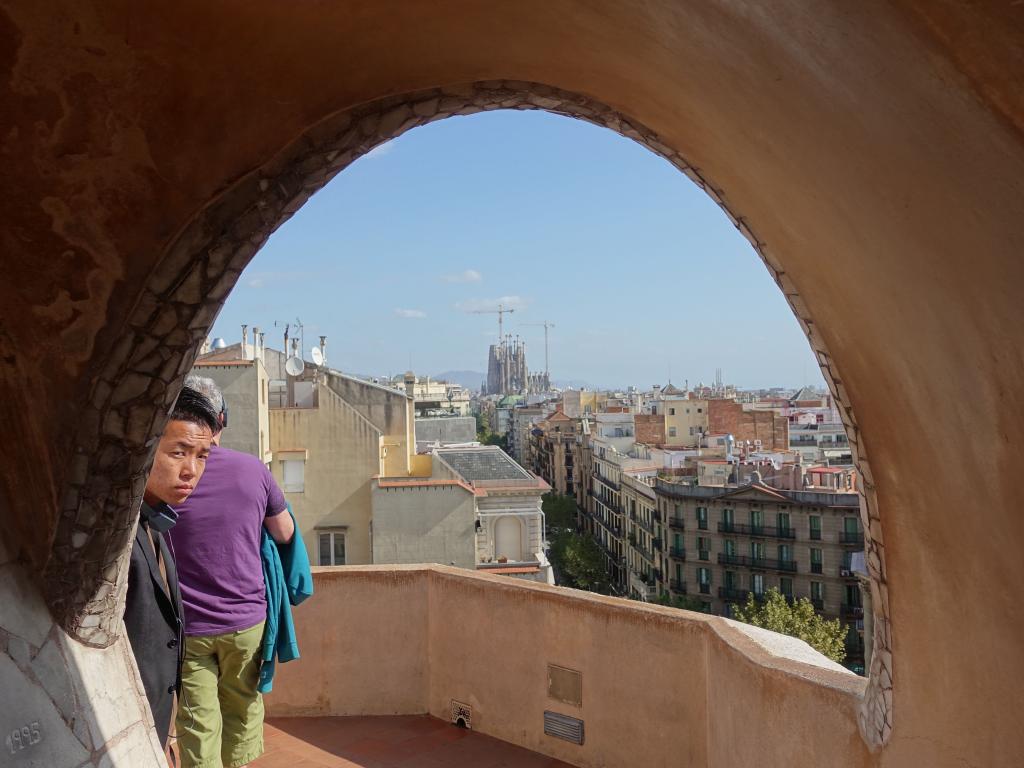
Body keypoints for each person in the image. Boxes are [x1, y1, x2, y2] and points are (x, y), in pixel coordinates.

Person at [166, 375, 294, 768]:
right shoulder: (253, 470)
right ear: (221, 419)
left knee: (198, 721)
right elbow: (285, 532)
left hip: (191, 626)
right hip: (246, 620)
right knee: (241, 709)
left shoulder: (166, 473)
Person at [124, 386, 219, 752]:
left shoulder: (157, 521)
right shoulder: (117, 539)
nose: (191, 470)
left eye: (201, 456)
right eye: (178, 453)